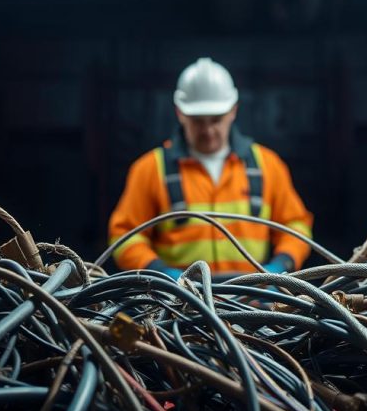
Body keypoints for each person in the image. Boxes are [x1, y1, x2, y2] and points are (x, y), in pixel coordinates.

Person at [108, 57, 313, 278]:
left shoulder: (268, 165)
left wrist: (281, 266)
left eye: (216, 120)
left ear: (233, 110)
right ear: (179, 113)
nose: (207, 131)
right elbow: (124, 236)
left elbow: (296, 225)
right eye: (198, 121)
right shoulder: (149, 169)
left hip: (253, 303)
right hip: (178, 305)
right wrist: (159, 272)